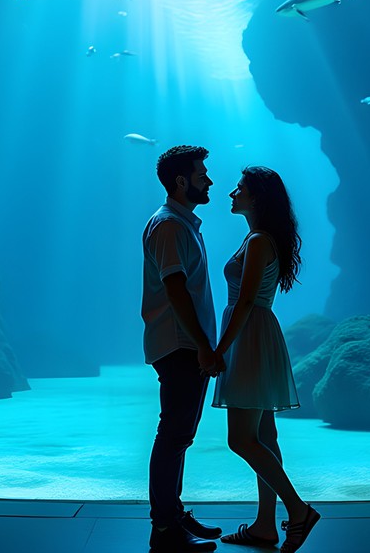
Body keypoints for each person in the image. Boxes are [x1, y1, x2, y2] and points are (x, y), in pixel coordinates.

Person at [213, 166, 321, 553]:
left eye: (239, 188)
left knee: (241, 439)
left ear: (256, 196)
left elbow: (245, 301)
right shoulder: (257, 238)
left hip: (249, 337)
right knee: (264, 436)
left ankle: (298, 511)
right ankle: (264, 526)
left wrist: (218, 350)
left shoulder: (258, 241)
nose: (232, 193)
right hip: (256, 335)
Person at [141, 145, 226, 553]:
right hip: (180, 345)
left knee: (179, 436)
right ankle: (164, 527)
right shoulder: (170, 226)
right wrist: (203, 346)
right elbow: (175, 290)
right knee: (174, 435)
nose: (209, 181)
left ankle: (173, 514)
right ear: (180, 181)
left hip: (185, 344)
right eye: (201, 174)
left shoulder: (182, 224)